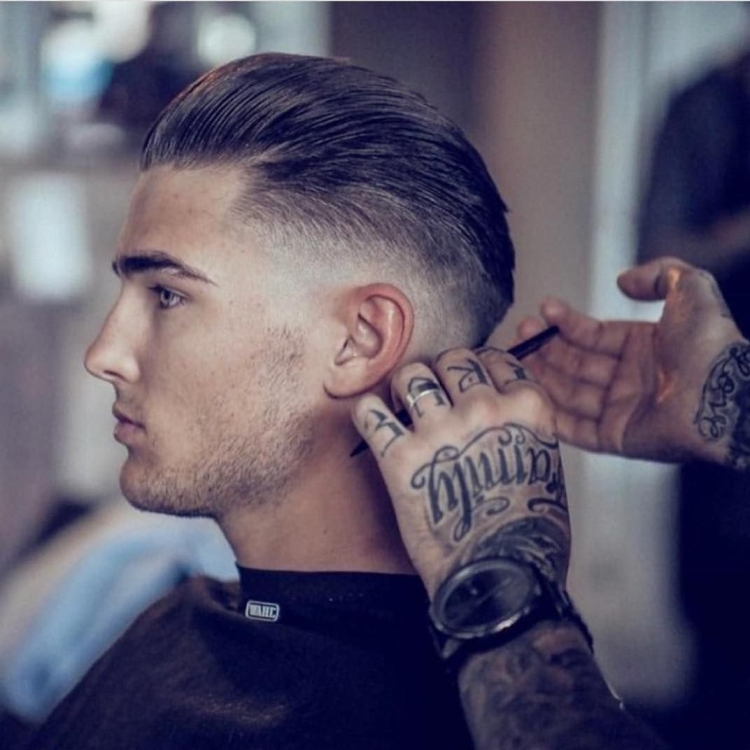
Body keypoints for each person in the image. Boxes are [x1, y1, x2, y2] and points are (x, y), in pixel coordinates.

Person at [25, 52, 662, 749]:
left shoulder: (428, 715)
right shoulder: (181, 619)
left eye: (168, 295)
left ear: (361, 340)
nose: (103, 354)